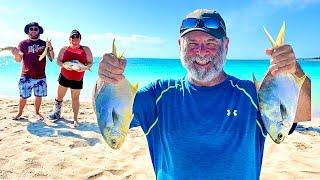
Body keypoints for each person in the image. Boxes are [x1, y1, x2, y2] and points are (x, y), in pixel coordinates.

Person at [98, 9, 311, 179]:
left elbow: (304, 112)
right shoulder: (158, 95)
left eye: (211, 43)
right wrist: (105, 79)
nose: (201, 52)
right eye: (192, 43)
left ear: (226, 46)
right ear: (179, 46)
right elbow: (111, 112)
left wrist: (293, 71)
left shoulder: (250, 95)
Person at [48, 30, 93, 128]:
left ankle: (75, 119)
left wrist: (83, 68)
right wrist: (64, 66)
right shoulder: (64, 49)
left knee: (75, 99)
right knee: (59, 97)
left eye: (77, 37)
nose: (75, 39)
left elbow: (90, 63)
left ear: (80, 39)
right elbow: (58, 61)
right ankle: (56, 113)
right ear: (69, 39)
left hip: (78, 78)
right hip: (64, 76)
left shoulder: (86, 49)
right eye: (72, 37)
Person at [11, 22, 55, 121]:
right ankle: (19, 113)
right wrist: (15, 54)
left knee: (38, 96)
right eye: (31, 29)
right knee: (23, 96)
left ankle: (37, 112)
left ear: (39, 31)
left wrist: (50, 47)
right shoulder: (23, 44)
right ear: (28, 31)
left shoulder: (44, 44)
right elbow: (18, 60)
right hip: (26, 76)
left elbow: (52, 58)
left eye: (36, 29)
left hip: (40, 76)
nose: (34, 31)